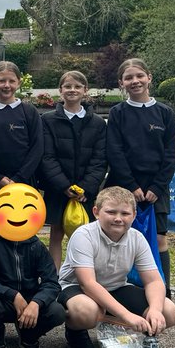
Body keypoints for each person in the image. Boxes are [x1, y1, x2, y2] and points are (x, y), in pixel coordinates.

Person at [57, 186, 175, 348]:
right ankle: (75, 330)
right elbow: (88, 284)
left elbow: (153, 281)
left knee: (169, 312)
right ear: (96, 212)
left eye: (125, 214)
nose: (118, 219)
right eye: (111, 212)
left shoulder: (137, 238)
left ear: (134, 215)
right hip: (76, 288)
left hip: (116, 287)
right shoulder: (83, 235)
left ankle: (124, 329)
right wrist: (127, 316)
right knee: (87, 311)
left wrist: (155, 310)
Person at [104, 58, 175, 286]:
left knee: (158, 239)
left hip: (156, 189)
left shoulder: (165, 113)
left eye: (139, 76)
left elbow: (170, 155)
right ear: (121, 83)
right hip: (123, 187)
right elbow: (114, 152)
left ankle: (162, 293)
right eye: (129, 78)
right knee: (118, 237)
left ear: (149, 78)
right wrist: (131, 186)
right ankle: (119, 291)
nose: (135, 81)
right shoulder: (117, 113)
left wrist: (157, 186)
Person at [40, 70, 107, 268]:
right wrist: (63, 185)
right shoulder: (48, 120)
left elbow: (100, 159)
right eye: (67, 86)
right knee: (56, 233)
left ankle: (83, 277)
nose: (72, 90)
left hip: (86, 191)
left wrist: (86, 188)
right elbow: (47, 156)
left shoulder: (97, 123)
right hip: (57, 187)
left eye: (77, 86)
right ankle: (55, 278)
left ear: (85, 90)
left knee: (85, 236)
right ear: (60, 90)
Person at [0, 211, 64, 348]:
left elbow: (52, 283)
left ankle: (29, 335)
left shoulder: (36, 245)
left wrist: (37, 302)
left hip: (30, 301)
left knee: (57, 312)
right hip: (2, 299)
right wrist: (12, 295)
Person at [0, 60, 43, 204]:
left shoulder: (29, 112)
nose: (7, 85)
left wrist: (19, 178)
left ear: (19, 82)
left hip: (24, 182)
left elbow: (37, 147)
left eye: (11, 81)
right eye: (2, 81)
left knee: (22, 224)